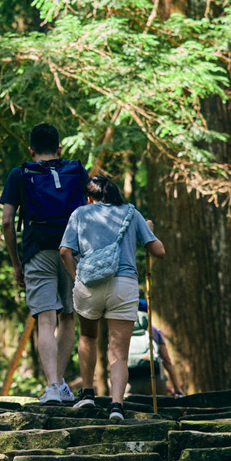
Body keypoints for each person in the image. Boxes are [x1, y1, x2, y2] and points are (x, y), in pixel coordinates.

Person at [58, 174, 166, 420]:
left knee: (87, 336)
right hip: (123, 285)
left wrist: (76, 277)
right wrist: (148, 232)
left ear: (90, 198)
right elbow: (159, 251)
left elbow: (65, 251)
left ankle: (87, 394)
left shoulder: (80, 214)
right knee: (119, 351)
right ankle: (117, 406)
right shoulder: (130, 213)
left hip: (89, 285)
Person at [0, 124, 88, 403]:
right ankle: (61, 383)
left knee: (46, 319)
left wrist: (16, 263)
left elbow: (6, 221)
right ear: (59, 149)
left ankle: (51, 387)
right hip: (72, 251)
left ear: (31, 150)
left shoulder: (20, 173)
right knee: (68, 317)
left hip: (37, 250)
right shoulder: (75, 170)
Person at [128, 297, 183, 398]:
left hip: (129, 382)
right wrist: (177, 387)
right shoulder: (154, 331)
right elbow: (166, 359)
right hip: (154, 381)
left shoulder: (122, 329)